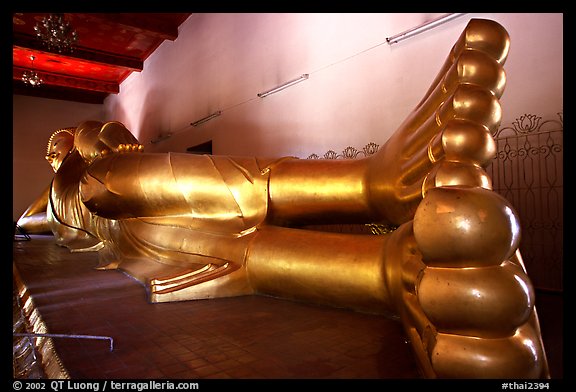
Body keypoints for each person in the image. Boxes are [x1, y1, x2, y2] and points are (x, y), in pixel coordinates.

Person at [17, 19, 549, 378]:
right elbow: (30, 220)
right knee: (219, 245)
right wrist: (65, 186)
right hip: (128, 234)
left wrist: (90, 143)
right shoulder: (63, 183)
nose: (54, 146)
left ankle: (369, 183)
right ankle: (387, 270)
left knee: (127, 179)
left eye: (57, 140)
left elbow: (106, 142)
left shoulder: (99, 151)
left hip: (128, 196)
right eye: (52, 147)